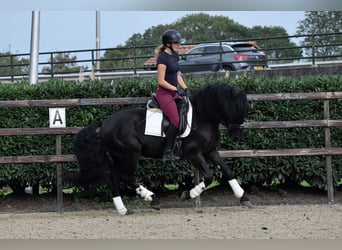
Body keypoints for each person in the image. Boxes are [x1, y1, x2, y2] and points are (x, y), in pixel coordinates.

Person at [154, 29, 191, 161]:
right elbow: (161, 81)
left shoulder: (175, 56)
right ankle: (167, 152)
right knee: (175, 120)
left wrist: (185, 88)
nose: (178, 45)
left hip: (174, 93)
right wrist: (176, 90)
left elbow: (177, 75)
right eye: (176, 43)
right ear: (168, 44)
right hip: (164, 94)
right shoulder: (162, 58)